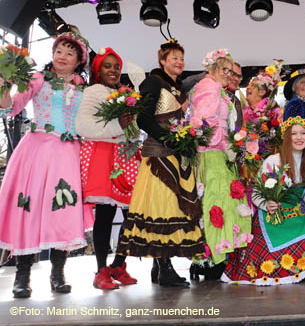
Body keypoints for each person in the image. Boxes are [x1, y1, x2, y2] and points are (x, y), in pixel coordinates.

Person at [0, 32, 91, 298]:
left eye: (69, 53)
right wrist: (5, 85)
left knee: (63, 209)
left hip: (69, 154)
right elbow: (11, 107)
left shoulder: (84, 90)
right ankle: (22, 275)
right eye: (59, 51)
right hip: (37, 151)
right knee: (30, 209)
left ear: (78, 62)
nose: (62, 57)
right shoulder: (38, 78)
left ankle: (57, 273)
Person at [116, 39, 205, 287]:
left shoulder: (177, 88)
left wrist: (182, 140)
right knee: (160, 209)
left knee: (169, 208)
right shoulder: (153, 82)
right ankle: (164, 269)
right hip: (158, 154)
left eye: (181, 58)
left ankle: (160, 268)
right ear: (162, 60)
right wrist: (168, 138)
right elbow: (143, 119)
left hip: (173, 153)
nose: (178, 62)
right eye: (173, 58)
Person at [221, 116, 305, 285]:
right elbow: (256, 193)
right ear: (286, 138)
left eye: (303, 133)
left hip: (298, 214)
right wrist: (266, 204)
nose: (299, 137)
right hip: (273, 215)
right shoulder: (273, 161)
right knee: (270, 256)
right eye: (294, 134)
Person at [75, 47, 139, 289]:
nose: (113, 70)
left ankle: (118, 264)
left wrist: (130, 130)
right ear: (97, 70)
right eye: (107, 66)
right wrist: (117, 126)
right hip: (102, 157)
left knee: (132, 215)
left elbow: (129, 129)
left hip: (125, 157)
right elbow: (82, 126)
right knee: (105, 215)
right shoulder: (92, 92)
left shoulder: (124, 93)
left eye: (116, 66)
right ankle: (101, 271)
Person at [188, 48, 252, 278]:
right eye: (224, 69)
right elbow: (205, 122)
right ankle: (211, 259)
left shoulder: (217, 89)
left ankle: (211, 258)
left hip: (218, 153)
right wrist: (225, 146)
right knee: (216, 203)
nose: (228, 74)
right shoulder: (210, 86)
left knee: (218, 202)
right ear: (213, 68)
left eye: (230, 70)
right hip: (212, 153)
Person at [225, 61, 244, 132]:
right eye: (233, 74)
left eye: (239, 76)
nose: (237, 79)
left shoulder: (237, 101)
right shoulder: (215, 95)